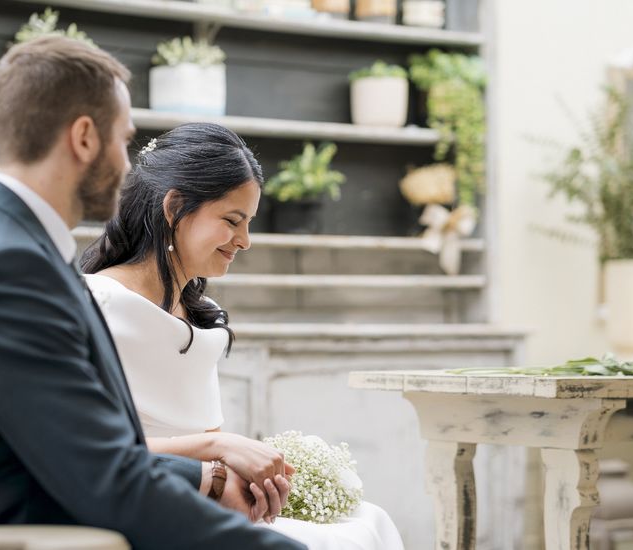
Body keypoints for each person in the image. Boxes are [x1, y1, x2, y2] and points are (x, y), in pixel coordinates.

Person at [0, 36, 304, 550]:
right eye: (123, 141)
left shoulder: (14, 249)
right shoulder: (5, 268)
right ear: (84, 137)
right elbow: (106, 478)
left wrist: (211, 477)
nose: (131, 167)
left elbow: (89, 457)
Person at [80, 122, 405, 550]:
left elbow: (209, 446)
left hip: (211, 505)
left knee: (368, 521)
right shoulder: (98, 302)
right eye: (233, 220)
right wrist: (219, 452)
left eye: (248, 222)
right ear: (174, 207)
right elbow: (89, 448)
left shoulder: (203, 316)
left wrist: (249, 478)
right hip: (149, 511)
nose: (245, 240)